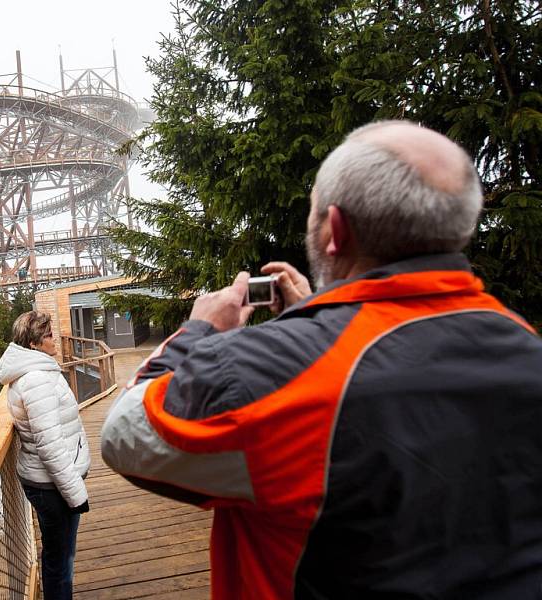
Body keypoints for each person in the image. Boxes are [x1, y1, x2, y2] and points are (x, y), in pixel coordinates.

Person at [100, 121, 542, 599]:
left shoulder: (272, 372)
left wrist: (199, 329)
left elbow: (126, 433)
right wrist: (314, 321)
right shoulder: (524, 344)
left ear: (335, 228)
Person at [0, 311, 90, 600]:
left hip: (52, 482)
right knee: (60, 562)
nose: (55, 339)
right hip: (53, 487)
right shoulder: (36, 379)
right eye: (49, 335)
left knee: (60, 556)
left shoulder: (35, 370)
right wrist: (76, 493)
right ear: (34, 344)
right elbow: (49, 444)